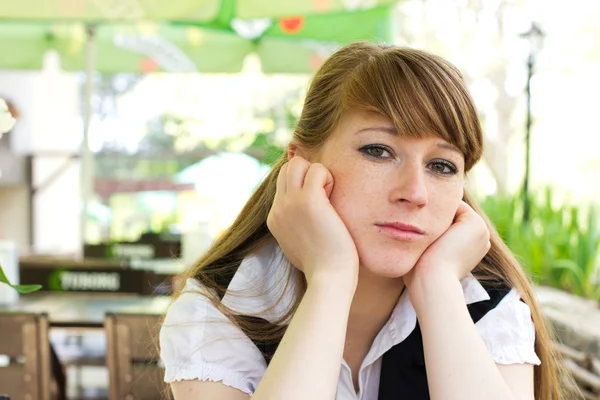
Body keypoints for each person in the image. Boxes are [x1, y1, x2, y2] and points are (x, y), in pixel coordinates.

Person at [159, 42, 571, 400]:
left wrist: (439, 288)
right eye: (378, 150)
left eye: (442, 166)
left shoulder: (486, 304)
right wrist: (332, 277)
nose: (416, 191)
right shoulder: (221, 307)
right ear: (301, 163)